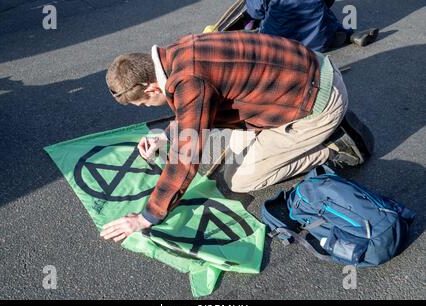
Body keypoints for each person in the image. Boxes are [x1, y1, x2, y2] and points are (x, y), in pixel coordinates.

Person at [100, 31, 372, 242]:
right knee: (232, 148)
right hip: (306, 75)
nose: (148, 108)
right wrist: (165, 137)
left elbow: (186, 157)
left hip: (318, 105)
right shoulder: (178, 52)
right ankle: (303, 136)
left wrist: (148, 216)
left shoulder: (190, 81)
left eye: (145, 104)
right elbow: (192, 112)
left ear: (149, 89)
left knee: (240, 179)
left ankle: (334, 145)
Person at [245, 0, 379, 52]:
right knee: (322, 14)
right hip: (319, 41)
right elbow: (328, 2)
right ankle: (345, 34)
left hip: (277, 46)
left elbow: (256, 12)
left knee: (268, 22)